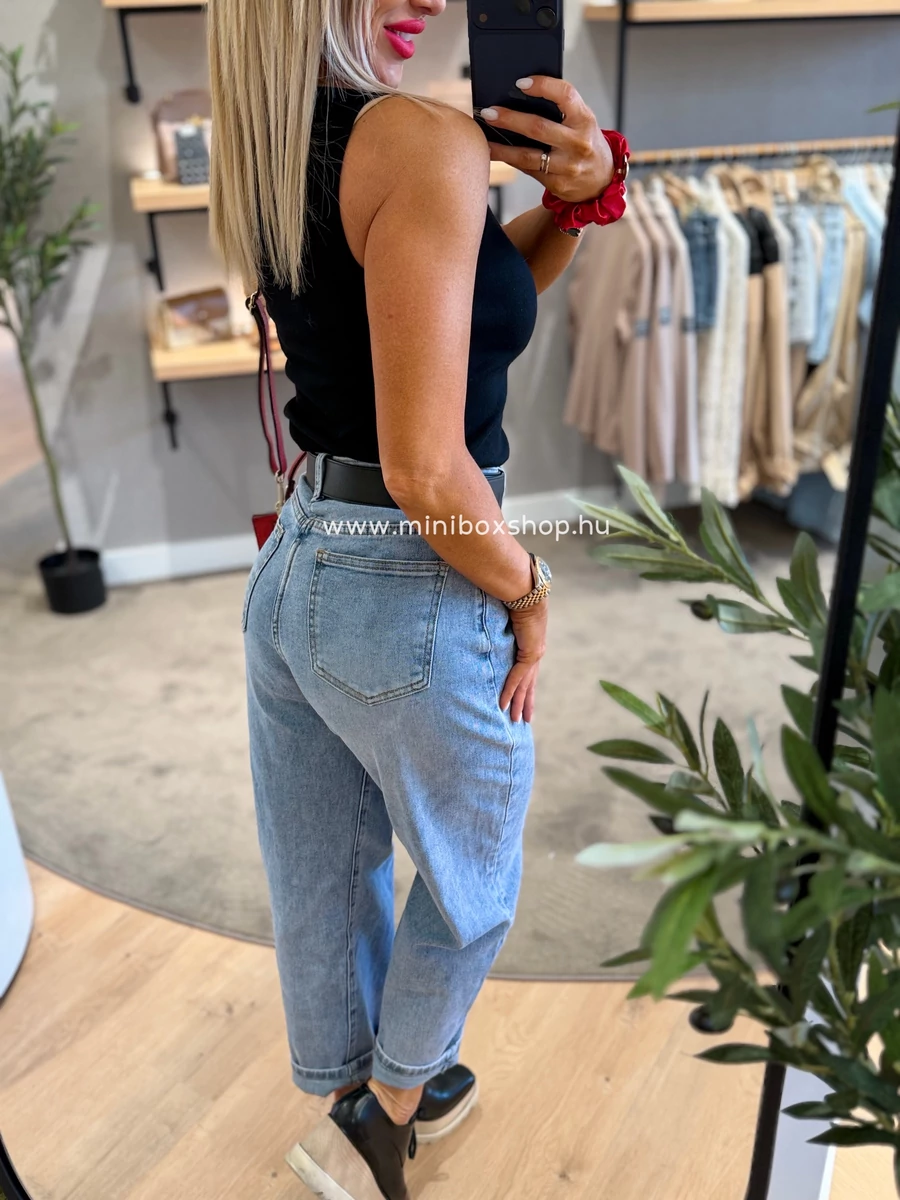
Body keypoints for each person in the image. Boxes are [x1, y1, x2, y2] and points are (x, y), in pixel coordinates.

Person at [208, 2, 622, 1197]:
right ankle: (386, 1115)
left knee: (324, 866)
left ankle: (355, 1081)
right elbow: (431, 474)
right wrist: (530, 587)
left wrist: (575, 205)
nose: (432, 1)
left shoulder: (272, 134)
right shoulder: (421, 139)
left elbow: (466, 320)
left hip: (302, 559)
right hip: (410, 572)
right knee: (471, 875)